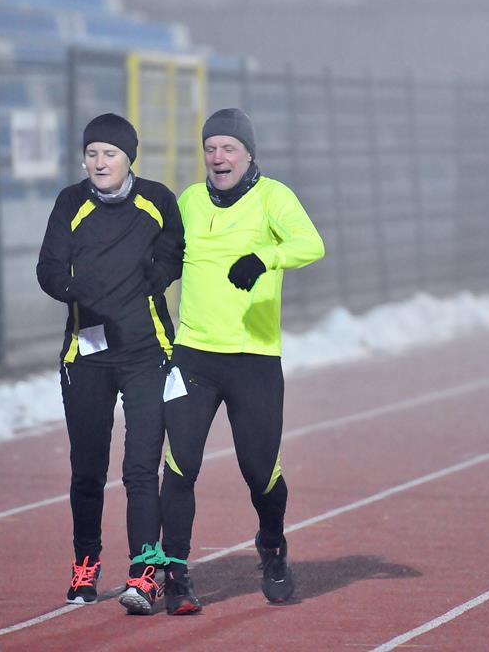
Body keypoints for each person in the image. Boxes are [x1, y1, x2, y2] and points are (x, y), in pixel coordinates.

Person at [158, 108, 325, 614]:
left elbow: (311, 244)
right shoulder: (189, 200)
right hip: (194, 355)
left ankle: (272, 544)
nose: (218, 157)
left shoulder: (273, 197)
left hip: (253, 357)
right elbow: (164, 257)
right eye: (210, 148)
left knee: (260, 470)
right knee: (179, 463)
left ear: (248, 154)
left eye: (228, 147)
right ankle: (175, 572)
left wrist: (265, 257)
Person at [36, 113, 184, 614]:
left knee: (141, 468)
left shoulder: (157, 200)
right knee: (87, 469)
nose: (100, 162)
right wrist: (78, 290)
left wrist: (157, 276)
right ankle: (85, 564)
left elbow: (175, 251)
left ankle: (143, 572)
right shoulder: (70, 203)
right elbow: (48, 268)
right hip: (89, 352)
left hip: (146, 352)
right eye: (92, 153)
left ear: (129, 158)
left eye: (110, 154)